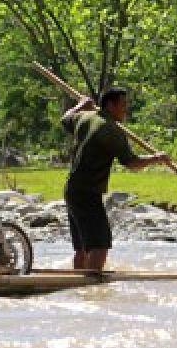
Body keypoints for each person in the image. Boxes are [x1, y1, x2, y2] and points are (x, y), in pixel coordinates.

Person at [62, 87, 169, 271]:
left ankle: (77, 282)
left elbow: (65, 119)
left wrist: (81, 105)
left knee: (82, 248)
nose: (125, 109)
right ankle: (91, 285)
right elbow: (131, 162)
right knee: (99, 245)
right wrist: (156, 158)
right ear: (110, 105)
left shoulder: (85, 117)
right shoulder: (110, 129)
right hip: (88, 193)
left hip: (72, 189)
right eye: (123, 105)